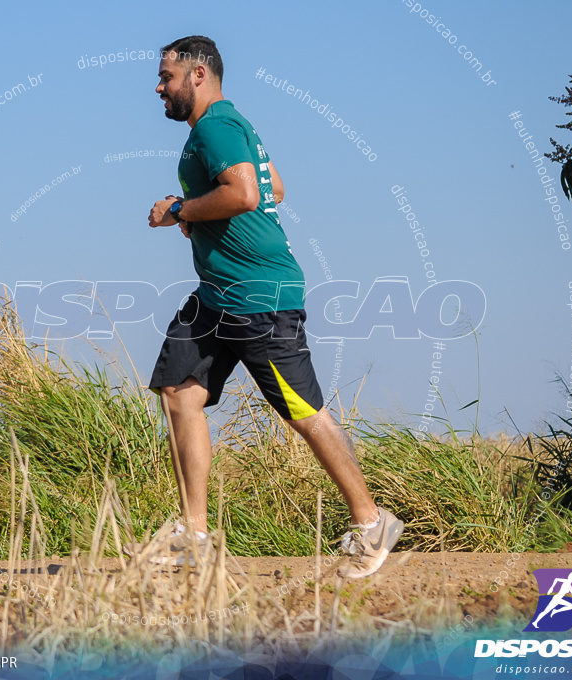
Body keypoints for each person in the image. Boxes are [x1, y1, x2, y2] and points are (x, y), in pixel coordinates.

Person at [145, 36, 403, 578]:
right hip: (218, 297)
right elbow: (274, 188)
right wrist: (199, 215)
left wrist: (180, 209)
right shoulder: (229, 126)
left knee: (303, 412)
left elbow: (246, 194)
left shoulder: (216, 126)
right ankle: (194, 535)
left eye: (166, 77)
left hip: (259, 298)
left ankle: (372, 522)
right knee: (178, 390)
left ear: (197, 75)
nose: (159, 87)